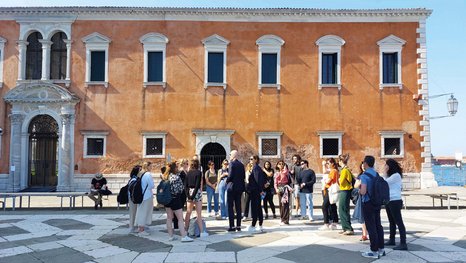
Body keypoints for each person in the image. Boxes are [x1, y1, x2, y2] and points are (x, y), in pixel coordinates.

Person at [360, 155, 385, 259]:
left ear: (365, 163)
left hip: (368, 202)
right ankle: (381, 248)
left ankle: (373, 250)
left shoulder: (364, 176)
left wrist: (359, 190)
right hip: (377, 202)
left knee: (371, 226)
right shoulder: (376, 174)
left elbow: (363, 191)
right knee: (378, 225)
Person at [163, 161, 193, 242]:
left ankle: (170, 236)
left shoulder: (165, 177)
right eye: (176, 167)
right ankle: (183, 236)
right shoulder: (176, 177)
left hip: (167, 199)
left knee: (169, 218)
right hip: (175, 199)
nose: (177, 168)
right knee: (180, 218)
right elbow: (179, 189)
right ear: (174, 168)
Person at [383, 159, 407, 250]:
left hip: (395, 200)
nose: (385, 167)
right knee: (391, 221)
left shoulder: (396, 175)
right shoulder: (392, 175)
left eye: (386, 165)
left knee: (398, 222)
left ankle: (403, 243)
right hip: (389, 200)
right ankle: (392, 239)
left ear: (390, 166)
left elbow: (384, 183)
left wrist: (385, 173)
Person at [184, 158, 208, 237]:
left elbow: (185, 185)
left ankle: (185, 230)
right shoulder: (199, 173)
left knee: (188, 213)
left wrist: (189, 196)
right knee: (198, 213)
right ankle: (201, 232)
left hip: (189, 191)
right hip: (196, 192)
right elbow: (198, 185)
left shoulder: (188, 173)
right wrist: (193, 196)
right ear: (198, 165)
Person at [226, 150, 246, 232]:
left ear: (233, 155)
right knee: (238, 207)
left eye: (230, 154)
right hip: (239, 188)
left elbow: (230, 175)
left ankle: (232, 226)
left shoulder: (231, 164)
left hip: (232, 187)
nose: (229, 156)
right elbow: (243, 176)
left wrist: (227, 180)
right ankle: (238, 226)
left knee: (230, 207)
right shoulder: (241, 165)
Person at [135, 162, 155, 235]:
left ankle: (139, 227)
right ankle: (141, 229)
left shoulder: (140, 174)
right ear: (148, 166)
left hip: (141, 195)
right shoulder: (148, 174)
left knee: (140, 211)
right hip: (147, 195)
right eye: (151, 166)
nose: (151, 167)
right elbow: (151, 185)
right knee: (145, 212)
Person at [319, 158, 339, 230]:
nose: (327, 165)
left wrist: (325, 180)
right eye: (327, 163)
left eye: (328, 163)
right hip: (329, 190)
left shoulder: (333, 171)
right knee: (332, 206)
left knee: (324, 206)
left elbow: (329, 180)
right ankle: (335, 222)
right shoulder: (333, 170)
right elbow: (325, 171)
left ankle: (326, 223)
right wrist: (323, 165)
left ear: (332, 163)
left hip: (330, 190)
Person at [247, 155, 265, 232]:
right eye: (250, 159)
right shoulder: (255, 168)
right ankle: (260, 224)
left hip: (256, 191)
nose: (250, 160)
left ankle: (254, 225)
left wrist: (260, 190)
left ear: (256, 160)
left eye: (251, 159)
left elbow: (258, 181)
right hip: (256, 191)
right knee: (258, 208)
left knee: (255, 208)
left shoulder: (256, 168)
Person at [338, 154, 354, 235]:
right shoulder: (347, 170)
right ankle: (345, 227)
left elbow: (341, 182)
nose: (338, 162)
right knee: (344, 209)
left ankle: (348, 228)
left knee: (342, 209)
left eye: (339, 160)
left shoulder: (344, 170)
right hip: (346, 191)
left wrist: (339, 178)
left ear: (341, 161)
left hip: (344, 191)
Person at [352, 161, 369, 242]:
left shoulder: (370, 175)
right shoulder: (360, 176)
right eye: (362, 166)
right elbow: (355, 186)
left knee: (369, 217)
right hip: (362, 197)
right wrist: (359, 184)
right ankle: (365, 234)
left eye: (364, 166)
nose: (363, 167)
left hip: (369, 197)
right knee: (363, 216)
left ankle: (368, 233)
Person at [274, 160, 292, 225]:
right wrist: (276, 189)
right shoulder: (276, 173)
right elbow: (275, 183)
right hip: (279, 187)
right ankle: (282, 218)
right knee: (281, 204)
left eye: (282, 164)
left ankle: (286, 220)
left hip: (285, 187)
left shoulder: (286, 172)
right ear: (277, 165)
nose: (281, 165)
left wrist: (284, 168)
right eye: (279, 164)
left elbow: (286, 173)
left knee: (286, 203)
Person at [127, 165, 141, 234]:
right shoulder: (134, 179)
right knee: (132, 213)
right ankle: (131, 227)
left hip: (133, 198)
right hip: (132, 198)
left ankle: (134, 226)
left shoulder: (133, 178)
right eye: (140, 170)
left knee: (134, 212)